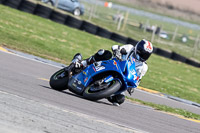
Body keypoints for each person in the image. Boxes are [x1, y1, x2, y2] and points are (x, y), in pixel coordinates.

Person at [71, 39, 153, 106]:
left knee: (120, 99)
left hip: (122, 78)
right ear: (137, 48)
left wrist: (132, 87)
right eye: (142, 53)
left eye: (146, 55)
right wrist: (117, 51)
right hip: (112, 64)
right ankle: (83, 63)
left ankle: (104, 91)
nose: (143, 56)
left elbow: (138, 79)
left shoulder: (144, 67)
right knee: (105, 53)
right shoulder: (130, 48)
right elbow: (116, 47)